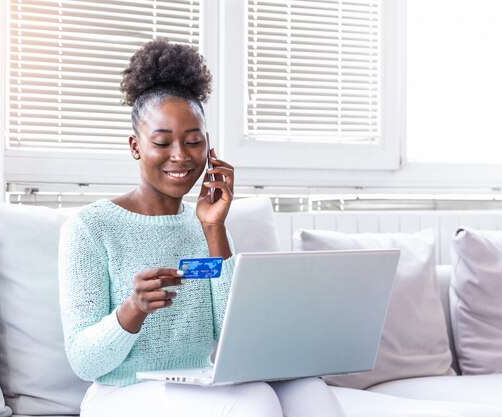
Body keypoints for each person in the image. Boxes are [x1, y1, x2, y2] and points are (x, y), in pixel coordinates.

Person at [58, 38, 345, 417]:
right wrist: (133, 309)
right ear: (135, 146)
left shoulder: (207, 225)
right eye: (162, 142)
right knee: (255, 403)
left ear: (208, 148)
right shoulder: (91, 227)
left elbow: (230, 336)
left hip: (197, 383)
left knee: (311, 392)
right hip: (121, 393)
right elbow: (83, 361)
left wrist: (213, 228)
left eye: (193, 141)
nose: (180, 155)